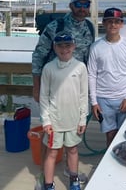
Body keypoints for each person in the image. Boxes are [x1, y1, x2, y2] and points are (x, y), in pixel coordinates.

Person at [32, 0, 94, 188]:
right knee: (49, 141)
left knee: (72, 142)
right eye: (79, 4)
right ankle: (44, 177)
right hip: (53, 85)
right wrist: (36, 85)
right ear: (71, 6)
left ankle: (70, 171)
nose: (82, 8)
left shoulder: (90, 28)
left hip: (75, 88)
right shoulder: (55, 26)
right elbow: (38, 56)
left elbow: (88, 59)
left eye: (86, 5)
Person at [40, 32, 88, 190]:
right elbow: (43, 97)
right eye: (60, 46)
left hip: (73, 120)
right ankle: (48, 184)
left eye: (68, 45)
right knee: (52, 153)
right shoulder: (48, 68)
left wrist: (82, 119)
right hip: (54, 122)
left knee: (72, 150)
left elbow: (83, 96)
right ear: (54, 47)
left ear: (74, 46)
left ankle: (74, 180)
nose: (64, 49)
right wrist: (46, 121)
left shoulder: (80, 67)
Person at [87, 7, 126, 147]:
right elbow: (91, 75)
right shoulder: (95, 47)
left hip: (123, 98)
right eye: (109, 21)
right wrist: (94, 102)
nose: (113, 25)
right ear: (104, 23)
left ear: (122, 24)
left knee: (125, 134)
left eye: (117, 22)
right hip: (103, 99)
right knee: (110, 134)